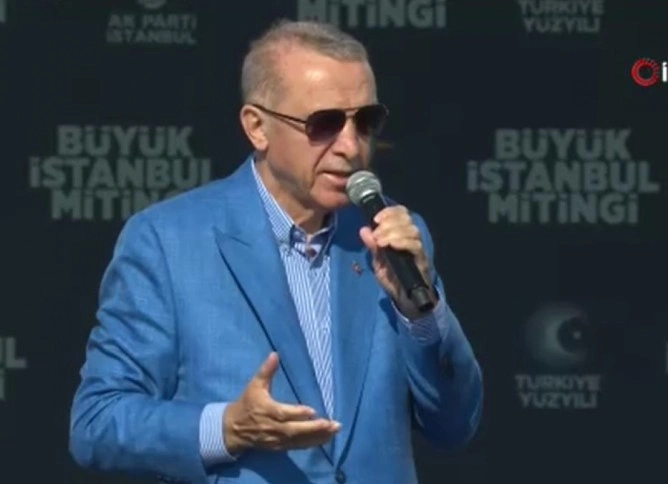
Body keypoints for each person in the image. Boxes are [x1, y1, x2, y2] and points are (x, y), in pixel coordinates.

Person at [69, 19, 483, 484]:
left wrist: (420, 315)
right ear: (257, 127)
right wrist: (227, 428)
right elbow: (97, 423)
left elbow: (455, 424)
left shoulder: (392, 237)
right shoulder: (167, 242)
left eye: (366, 122)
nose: (351, 147)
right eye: (324, 124)